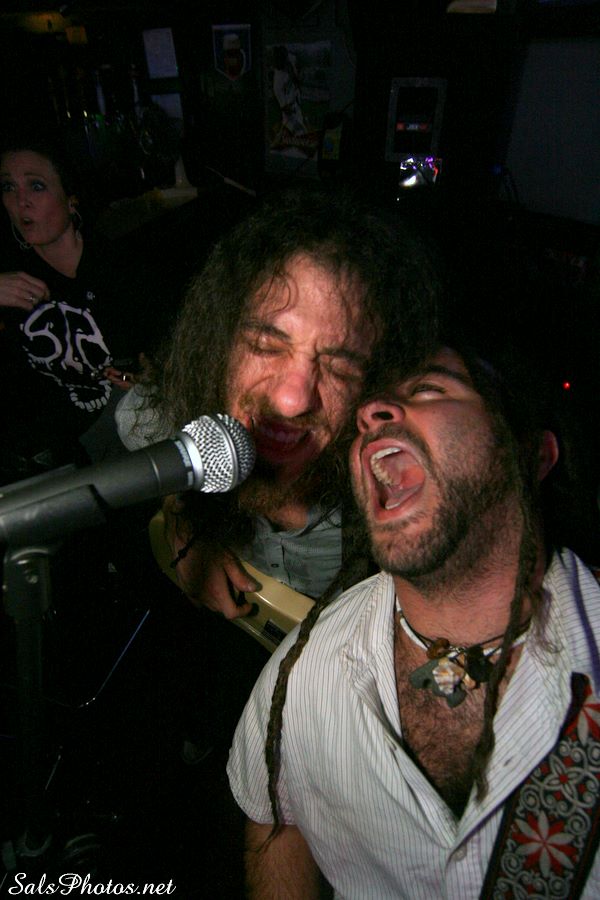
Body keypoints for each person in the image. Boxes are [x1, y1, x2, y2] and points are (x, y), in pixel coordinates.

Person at [227, 329, 600, 898]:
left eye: (428, 388)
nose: (369, 413)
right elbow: (276, 820)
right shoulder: (302, 674)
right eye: (363, 412)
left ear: (533, 454)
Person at [120, 186, 441, 760]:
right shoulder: (161, 421)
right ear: (218, 343)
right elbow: (134, 423)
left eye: (338, 365)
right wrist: (184, 514)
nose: (293, 399)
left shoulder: (400, 505)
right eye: (266, 344)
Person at [0, 130, 144, 480]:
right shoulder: (10, 274)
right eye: (8, 187)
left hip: (119, 439)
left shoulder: (118, 267)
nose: (21, 202)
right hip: (40, 454)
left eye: (36, 186)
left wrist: (147, 376)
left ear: (71, 199)